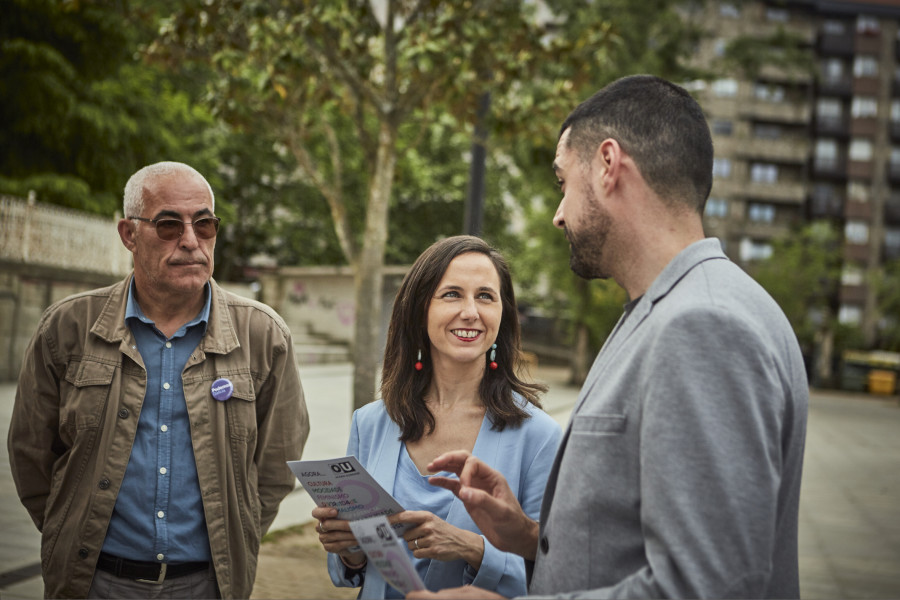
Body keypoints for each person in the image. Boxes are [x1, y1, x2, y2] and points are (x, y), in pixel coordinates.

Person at [413, 75, 810, 599]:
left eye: (562, 182)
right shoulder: (670, 307)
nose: (558, 214)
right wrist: (530, 538)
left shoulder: (703, 325)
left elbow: (709, 585)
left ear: (607, 165)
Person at [7, 161, 310, 599]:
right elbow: (31, 456)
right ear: (129, 234)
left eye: (204, 224)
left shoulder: (263, 336)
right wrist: (68, 530)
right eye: (169, 225)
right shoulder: (68, 327)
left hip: (208, 584)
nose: (191, 240)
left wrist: (234, 538)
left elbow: (277, 465)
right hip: (93, 583)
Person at [311, 235, 562, 598]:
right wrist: (348, 550)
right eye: (452, 294)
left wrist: (472, 549)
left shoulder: (539, 437)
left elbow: (554, 572)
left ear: (502, 313)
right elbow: (357, 569)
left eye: (486, 296)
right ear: (419, 310)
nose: (471, 311)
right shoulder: (370, 423)